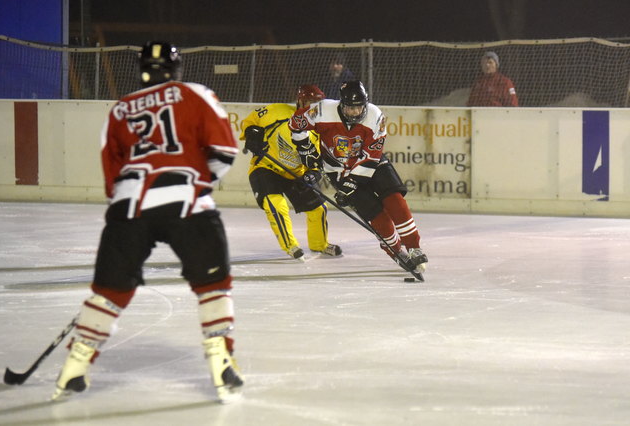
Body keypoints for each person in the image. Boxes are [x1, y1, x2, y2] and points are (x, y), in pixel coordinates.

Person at [51, 41, 243, 403]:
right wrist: (200, 183)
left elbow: (112, 173)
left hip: (129, 206)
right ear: (176, 68)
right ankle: (221, 359)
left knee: (109, 291)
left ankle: (75, 366)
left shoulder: (120, 109)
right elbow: (225, 151)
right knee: (213, 283)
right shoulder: (194, 93)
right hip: (185, 200)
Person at [288, 80, 427, 274]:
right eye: (350, 108)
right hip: (339, 170)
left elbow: (372, 155)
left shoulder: (375, 116)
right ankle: (394, 249)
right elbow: (295, 124)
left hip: (372, 164)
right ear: (341, 104)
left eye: (359, 107)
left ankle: (414, 247)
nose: (355, 112)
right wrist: (305, 148)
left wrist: (353, 181)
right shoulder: (322, 111)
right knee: (376, 214)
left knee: (394, 198)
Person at [239, 84, 342, 260]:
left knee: (319, 209)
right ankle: (290, 245)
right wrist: (251, 133)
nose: (311, 107)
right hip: (266, 167)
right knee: (276, 205)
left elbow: (318, 158)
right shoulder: (277, 111)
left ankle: (320, 244)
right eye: (308, 102)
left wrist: (314, 172)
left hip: (296, 173)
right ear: (300, 100)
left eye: (316, 104)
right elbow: (250, 121)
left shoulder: (320, 128)